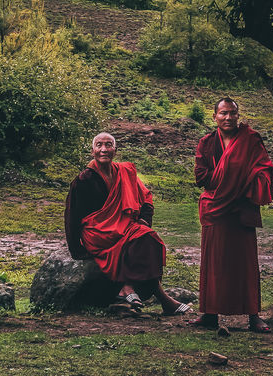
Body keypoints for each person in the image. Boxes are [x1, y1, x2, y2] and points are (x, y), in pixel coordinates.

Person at [65, 131, 191, 316]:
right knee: (140, 238)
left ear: (115, 150)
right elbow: (72, 215)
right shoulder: (84, 179)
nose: (104, 149)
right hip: (98, 233)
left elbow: (146, 197)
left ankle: (127, 287)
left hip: (122, 228)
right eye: (99, 145)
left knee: (148, 236)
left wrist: (145, 221)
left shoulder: (123, 172)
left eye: (108, 145)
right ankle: (161, 298)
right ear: (92, 151)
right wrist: (76, 249)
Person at [194, 96, 273, 332]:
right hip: (216, 207)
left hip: (241, 207)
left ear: (238, 116)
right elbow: (201, 176)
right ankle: (209, 314)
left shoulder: (250, 139)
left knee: (245, 263)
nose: (228, 118)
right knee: (213, 261)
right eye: (223, 113)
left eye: (232, 113)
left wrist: (243, 183)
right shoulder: (207, 143)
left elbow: (265, 169)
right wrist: (230, 179)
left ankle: (253, 316)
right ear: (215, 117)